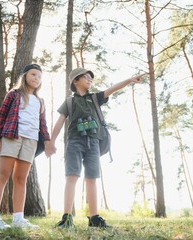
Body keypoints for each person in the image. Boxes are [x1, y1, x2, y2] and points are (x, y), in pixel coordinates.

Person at [49, 67, 145, 229]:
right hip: (74, 141)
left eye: (90, 78)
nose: (89, 80)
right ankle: (66, 218)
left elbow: (112, 89)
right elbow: (60, 121)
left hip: (93, 142)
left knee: (92, 178)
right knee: (71, 177)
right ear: (75, 81)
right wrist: (51, 141)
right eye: (86, 77)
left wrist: (129, 80)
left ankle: (94, 218)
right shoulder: (70, 101)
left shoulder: (95, 98)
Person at [0, 64, 51, 231]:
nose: (37, 78)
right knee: (2, 175)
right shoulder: (14, 95)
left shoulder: (40, 102)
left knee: (21, 179)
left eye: (39, 77)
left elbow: (43, 125)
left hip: (31, 141)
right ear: (25, 76)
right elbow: (1, 116)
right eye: (34, 74)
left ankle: (18, 219)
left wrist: (48, 141)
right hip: (12, 136)